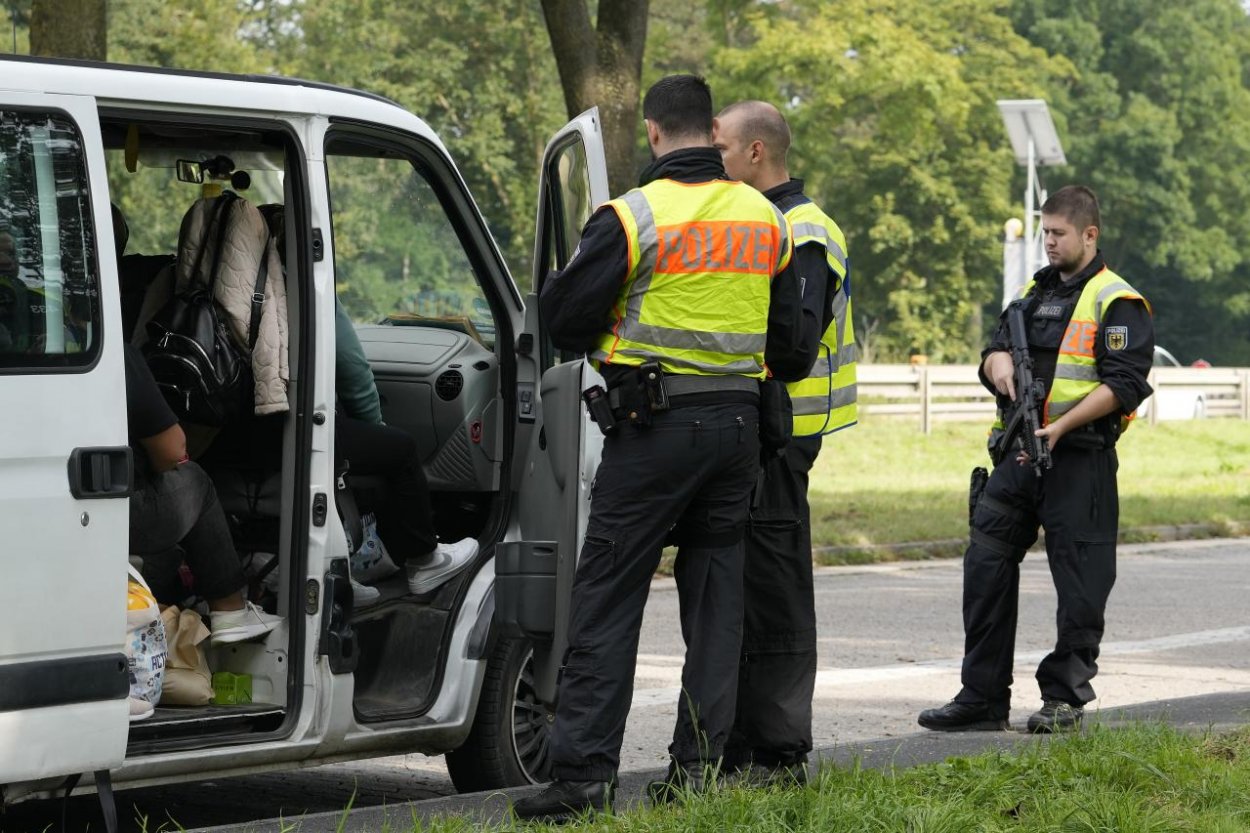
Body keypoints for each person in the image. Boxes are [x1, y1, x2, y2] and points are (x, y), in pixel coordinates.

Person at [513, 74, 811, 820]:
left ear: (653, 132)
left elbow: (564, 319)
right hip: (738, 432)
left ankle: (584, 780)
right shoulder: (767, 219)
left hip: (653, 429)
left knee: (607, 599)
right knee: (716, 608)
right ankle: (697, 772)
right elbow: (792, 347)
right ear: (712, 133)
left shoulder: (632, 216)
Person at [918, 185, 1154, 734]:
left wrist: (1063, 424)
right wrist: (996, 365)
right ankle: (981, 698)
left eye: (1058, 233)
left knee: (1081, 586)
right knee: (985, 568)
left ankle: (1063, 699)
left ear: (1089, 235)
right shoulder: (1031, 292)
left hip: (1079, 460)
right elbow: (995, 347)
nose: (1048, 242)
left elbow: (1125, 383)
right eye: (1045, 232)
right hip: (1018, 455)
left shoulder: (1118, 301)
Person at [712, 100, 855, 783]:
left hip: (782, 432)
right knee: (744, 586)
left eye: (721, 148)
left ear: (756, 153)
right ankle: (739, 744)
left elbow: (793, 345)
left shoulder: (803, 229)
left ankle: (776, 753)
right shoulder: (761, 221)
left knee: (774, 590)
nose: (713, 160)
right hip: (754, 428)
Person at [126, 342, 285, 646]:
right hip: (114, 511)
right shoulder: (118, 356)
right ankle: (230, 610)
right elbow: (172, 450)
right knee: (195, 480)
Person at [334, 296, 479, 598]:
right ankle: (425, 560)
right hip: (302, 427)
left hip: (251, 431)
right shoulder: (307, 282)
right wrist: (377, 428)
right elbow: (352, 371)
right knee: (399, 449)